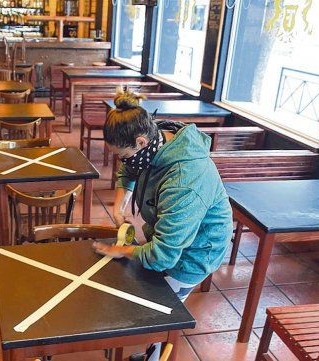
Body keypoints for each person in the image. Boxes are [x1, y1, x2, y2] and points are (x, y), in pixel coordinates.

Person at [92, 90, 233, 360]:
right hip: (173, 235)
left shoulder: (184, 180)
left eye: (122, 155)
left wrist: (121, 251)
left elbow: (162, 255)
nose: (122, 161)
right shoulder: (155, 139)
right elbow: (130, 170)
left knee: (160, 310)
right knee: (155, 300)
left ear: (141, 141)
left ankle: (155, 356)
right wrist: (118, 205)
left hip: (198, 250)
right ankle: (153, 353)